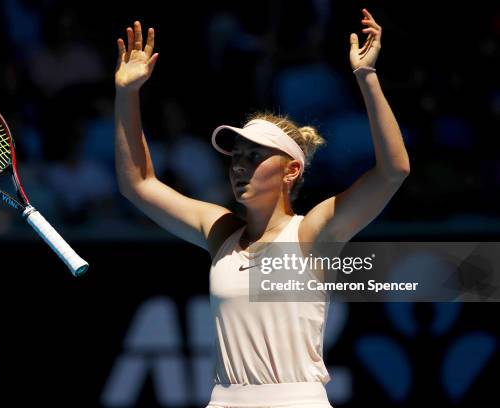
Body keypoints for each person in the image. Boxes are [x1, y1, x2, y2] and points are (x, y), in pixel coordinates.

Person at [114, 9, 409, 408]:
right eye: (236, 155)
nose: (239, 164)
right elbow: (139, 183)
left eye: (255, 156)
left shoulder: (311, 233)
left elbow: (393, 171)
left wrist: (366, 77)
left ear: (291, 170)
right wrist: (127, 94)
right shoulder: (220, 231)